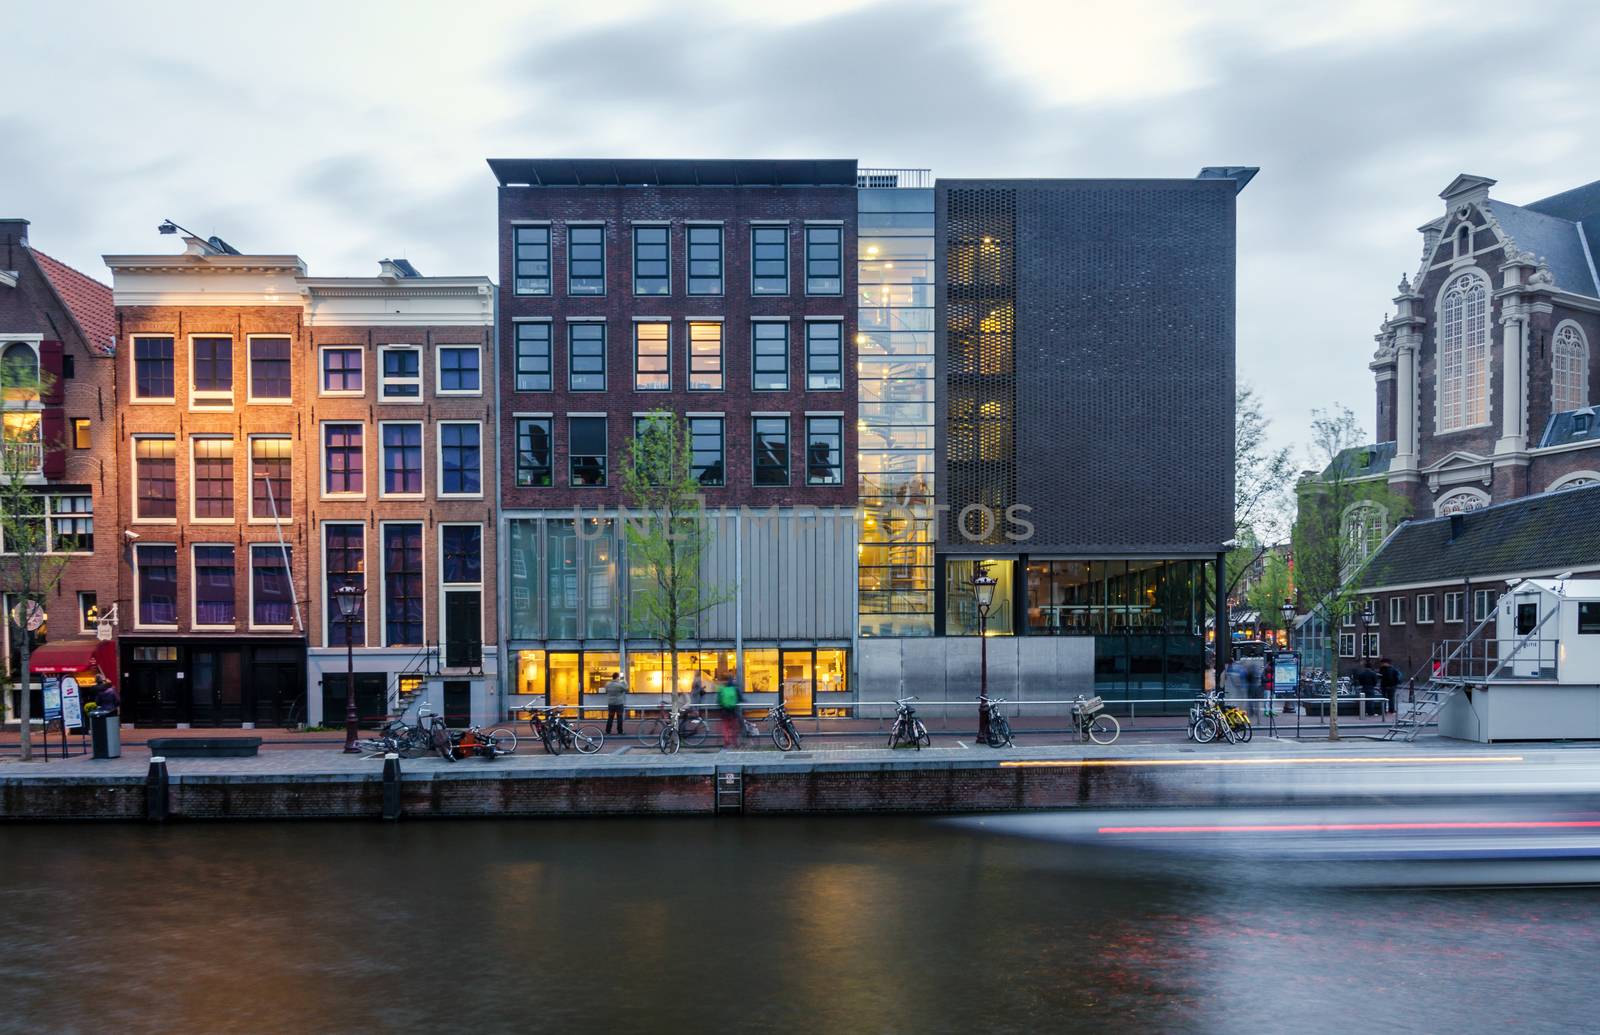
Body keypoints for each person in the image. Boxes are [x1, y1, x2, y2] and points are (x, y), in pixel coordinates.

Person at [717, 675, 742, 749]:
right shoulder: (735, 688)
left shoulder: (722, 689)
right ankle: (735, 743)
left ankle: (726, 742)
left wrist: (722, 705)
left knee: (725, 727)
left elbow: (718, 701)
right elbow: (740, 698)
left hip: (724, 711)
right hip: (733, 710)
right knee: (734, 727)